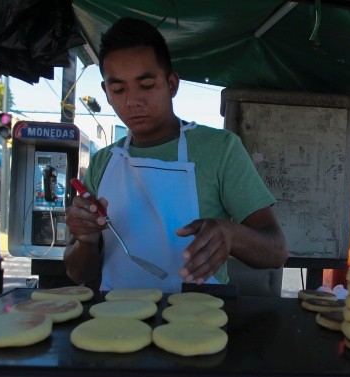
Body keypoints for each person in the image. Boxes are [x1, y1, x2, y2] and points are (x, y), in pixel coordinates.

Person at [64, 17, 287, 292]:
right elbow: (78, 272)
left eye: (147, 85)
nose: (132, 101)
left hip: (199, 314)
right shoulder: (103, 162)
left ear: (172, 84)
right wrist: (85, 240)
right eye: (118, 89)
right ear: (106, 93)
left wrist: (232, 236)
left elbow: (277, 250)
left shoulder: (219, 149)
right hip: (116, 315)